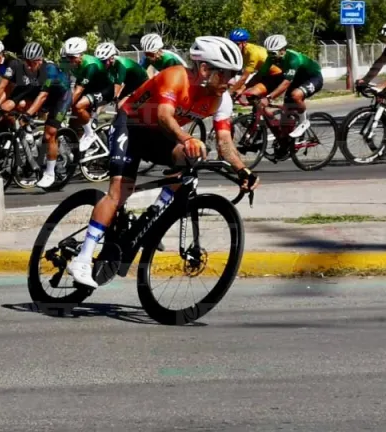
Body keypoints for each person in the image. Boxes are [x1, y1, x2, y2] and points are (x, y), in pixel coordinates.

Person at [66, 36, 258, 289]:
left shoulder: (222, 99)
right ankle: (82, 259)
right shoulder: (176, 77)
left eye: (233, 74)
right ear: (204, 69)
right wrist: (187, 137)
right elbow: (164, 116)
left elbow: (224, 141)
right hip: (132, 126)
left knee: (189, 160)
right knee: (120, 191)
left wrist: (243, 170)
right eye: (224, 74)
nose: (230, 81)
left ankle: (153, 218)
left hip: (159, 136)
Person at [15, 42, 70, 189]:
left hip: (61, 98)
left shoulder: (49, 70)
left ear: (39, 61)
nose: (26, 65)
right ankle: (29, 137)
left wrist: (28, 114)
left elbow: (43, 96)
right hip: (47, 95)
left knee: (49, 134)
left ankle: (50, 173)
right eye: (24, 61)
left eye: (29, 62)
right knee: (20, 104)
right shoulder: (29, 69)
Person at [254, 35, 324, 141]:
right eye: (268, 52)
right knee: (287, 109)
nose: (270, 56)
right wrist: (243, 88)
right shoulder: (271, 58)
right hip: (297, 79)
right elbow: (260, 75)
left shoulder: (293, 58)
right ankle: (286, 139)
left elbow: (286, 83)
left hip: (313, 77)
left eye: (273, 53)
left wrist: (268, 98)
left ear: (282, 50)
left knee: (296, 95)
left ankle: (304, 122)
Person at [64, 37, 113, 152]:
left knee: (78, 106)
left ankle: (90, 134)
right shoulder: (73, 64)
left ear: (80, 55)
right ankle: (79, 154)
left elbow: (79, 90)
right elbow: (74, 85)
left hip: (104, 90)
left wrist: (65, 106)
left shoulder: (90, 65)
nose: (70, 60)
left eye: (72, 58)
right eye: (68, 57)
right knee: (74, 123)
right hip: (90, 88)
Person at [0, 40, 40, 128]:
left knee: (20, 105)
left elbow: (2, 86)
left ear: (0, 55)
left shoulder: (10, 63)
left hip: (31, 87)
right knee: (3, 115)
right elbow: (7, 88)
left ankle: (26, 132)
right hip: (17, 87)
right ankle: (13, 134)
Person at [226, 29, 268, 99]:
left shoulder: (252, 53)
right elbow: (232, 70)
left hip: (272, 73)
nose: (234, 47)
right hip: (261, 72)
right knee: (234, 84)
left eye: (237, 44)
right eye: (232, 44)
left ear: (244, 43)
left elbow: (243, 78)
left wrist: (230, 92)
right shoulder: (239, 50)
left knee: (249, 95)